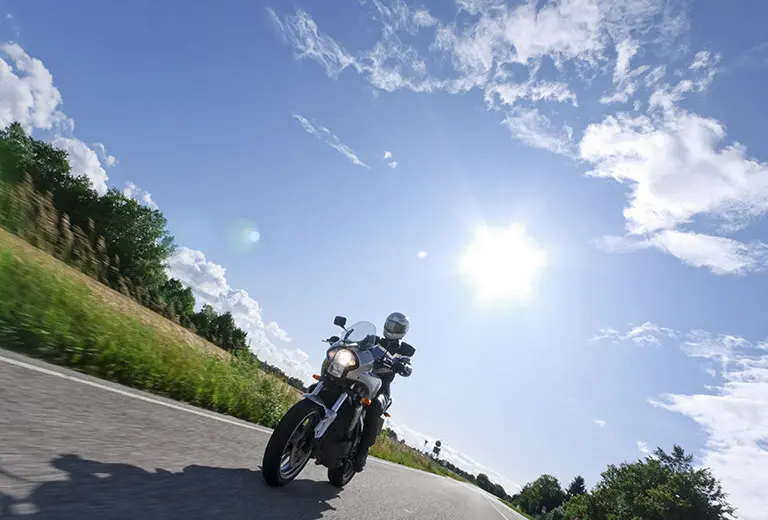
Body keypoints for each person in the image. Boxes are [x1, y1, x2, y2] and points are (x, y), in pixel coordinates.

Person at [353, 311, 412, 472]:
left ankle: (362, 450)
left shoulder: (403, 351)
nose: (392, 328)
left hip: (382, 386)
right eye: (390, 324)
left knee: (375, 407)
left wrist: (402, 367)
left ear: (402, 331)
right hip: (362, 376)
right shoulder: (373, 341)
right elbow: (357, 345)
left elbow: (408, 367)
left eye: (396, 326)